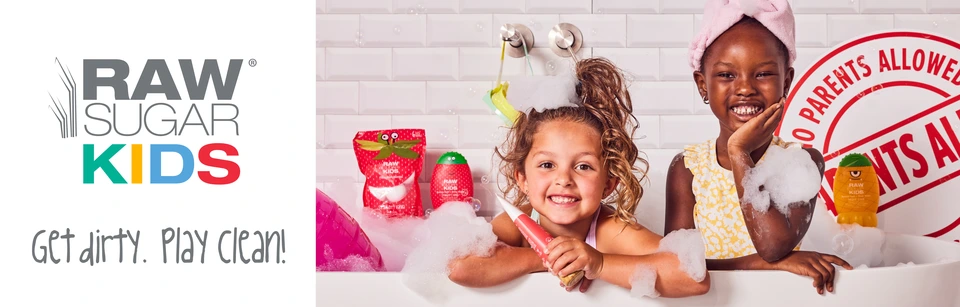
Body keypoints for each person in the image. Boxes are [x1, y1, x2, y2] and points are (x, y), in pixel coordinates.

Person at [447, 57, 711, 297]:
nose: (564, 179)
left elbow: (692, 276)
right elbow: (458, 265)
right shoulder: (519, 223)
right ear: (523, 179)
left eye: (583, 167)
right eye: (547, 164)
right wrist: (550, 258)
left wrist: (600, 262)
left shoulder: (609, 229)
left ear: (609, 183)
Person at [664, 0, 852, 295]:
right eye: (727, 75)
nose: (745, 88)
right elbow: (675, 269)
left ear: (787, 81)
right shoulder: (687, 168)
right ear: (702, 85)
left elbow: (774, 246)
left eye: (763, 74)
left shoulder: (801, 161)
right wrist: (762, 265)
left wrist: (739, 154)